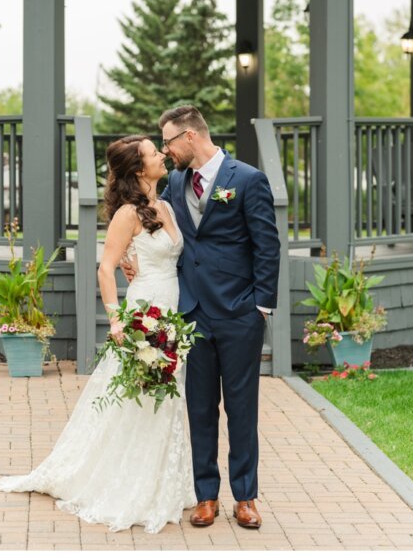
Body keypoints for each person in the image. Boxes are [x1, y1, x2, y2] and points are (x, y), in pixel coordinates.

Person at [0, 136, 196, 534]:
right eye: (153, 153)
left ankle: (163, 482)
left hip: (173, 311)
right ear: (140, 169)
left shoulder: (168, 205)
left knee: (166, 393)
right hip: (144, 313)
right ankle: (126, 484)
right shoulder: (128, 214)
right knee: (136, 396)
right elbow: (106, 268)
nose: (161, 154)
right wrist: (118, 321)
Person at [157, 105, 279, 529]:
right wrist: (130, 259)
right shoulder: (174, 183)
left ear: (190, 136)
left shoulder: (247, 179)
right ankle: (205, 495)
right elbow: (153, 225)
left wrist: (260, 306)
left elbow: (267, 245)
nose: (165, 150)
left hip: (239, 313)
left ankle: (245, 497)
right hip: (192, 312)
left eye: (168, 141)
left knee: (242, 408)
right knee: (200, 408)